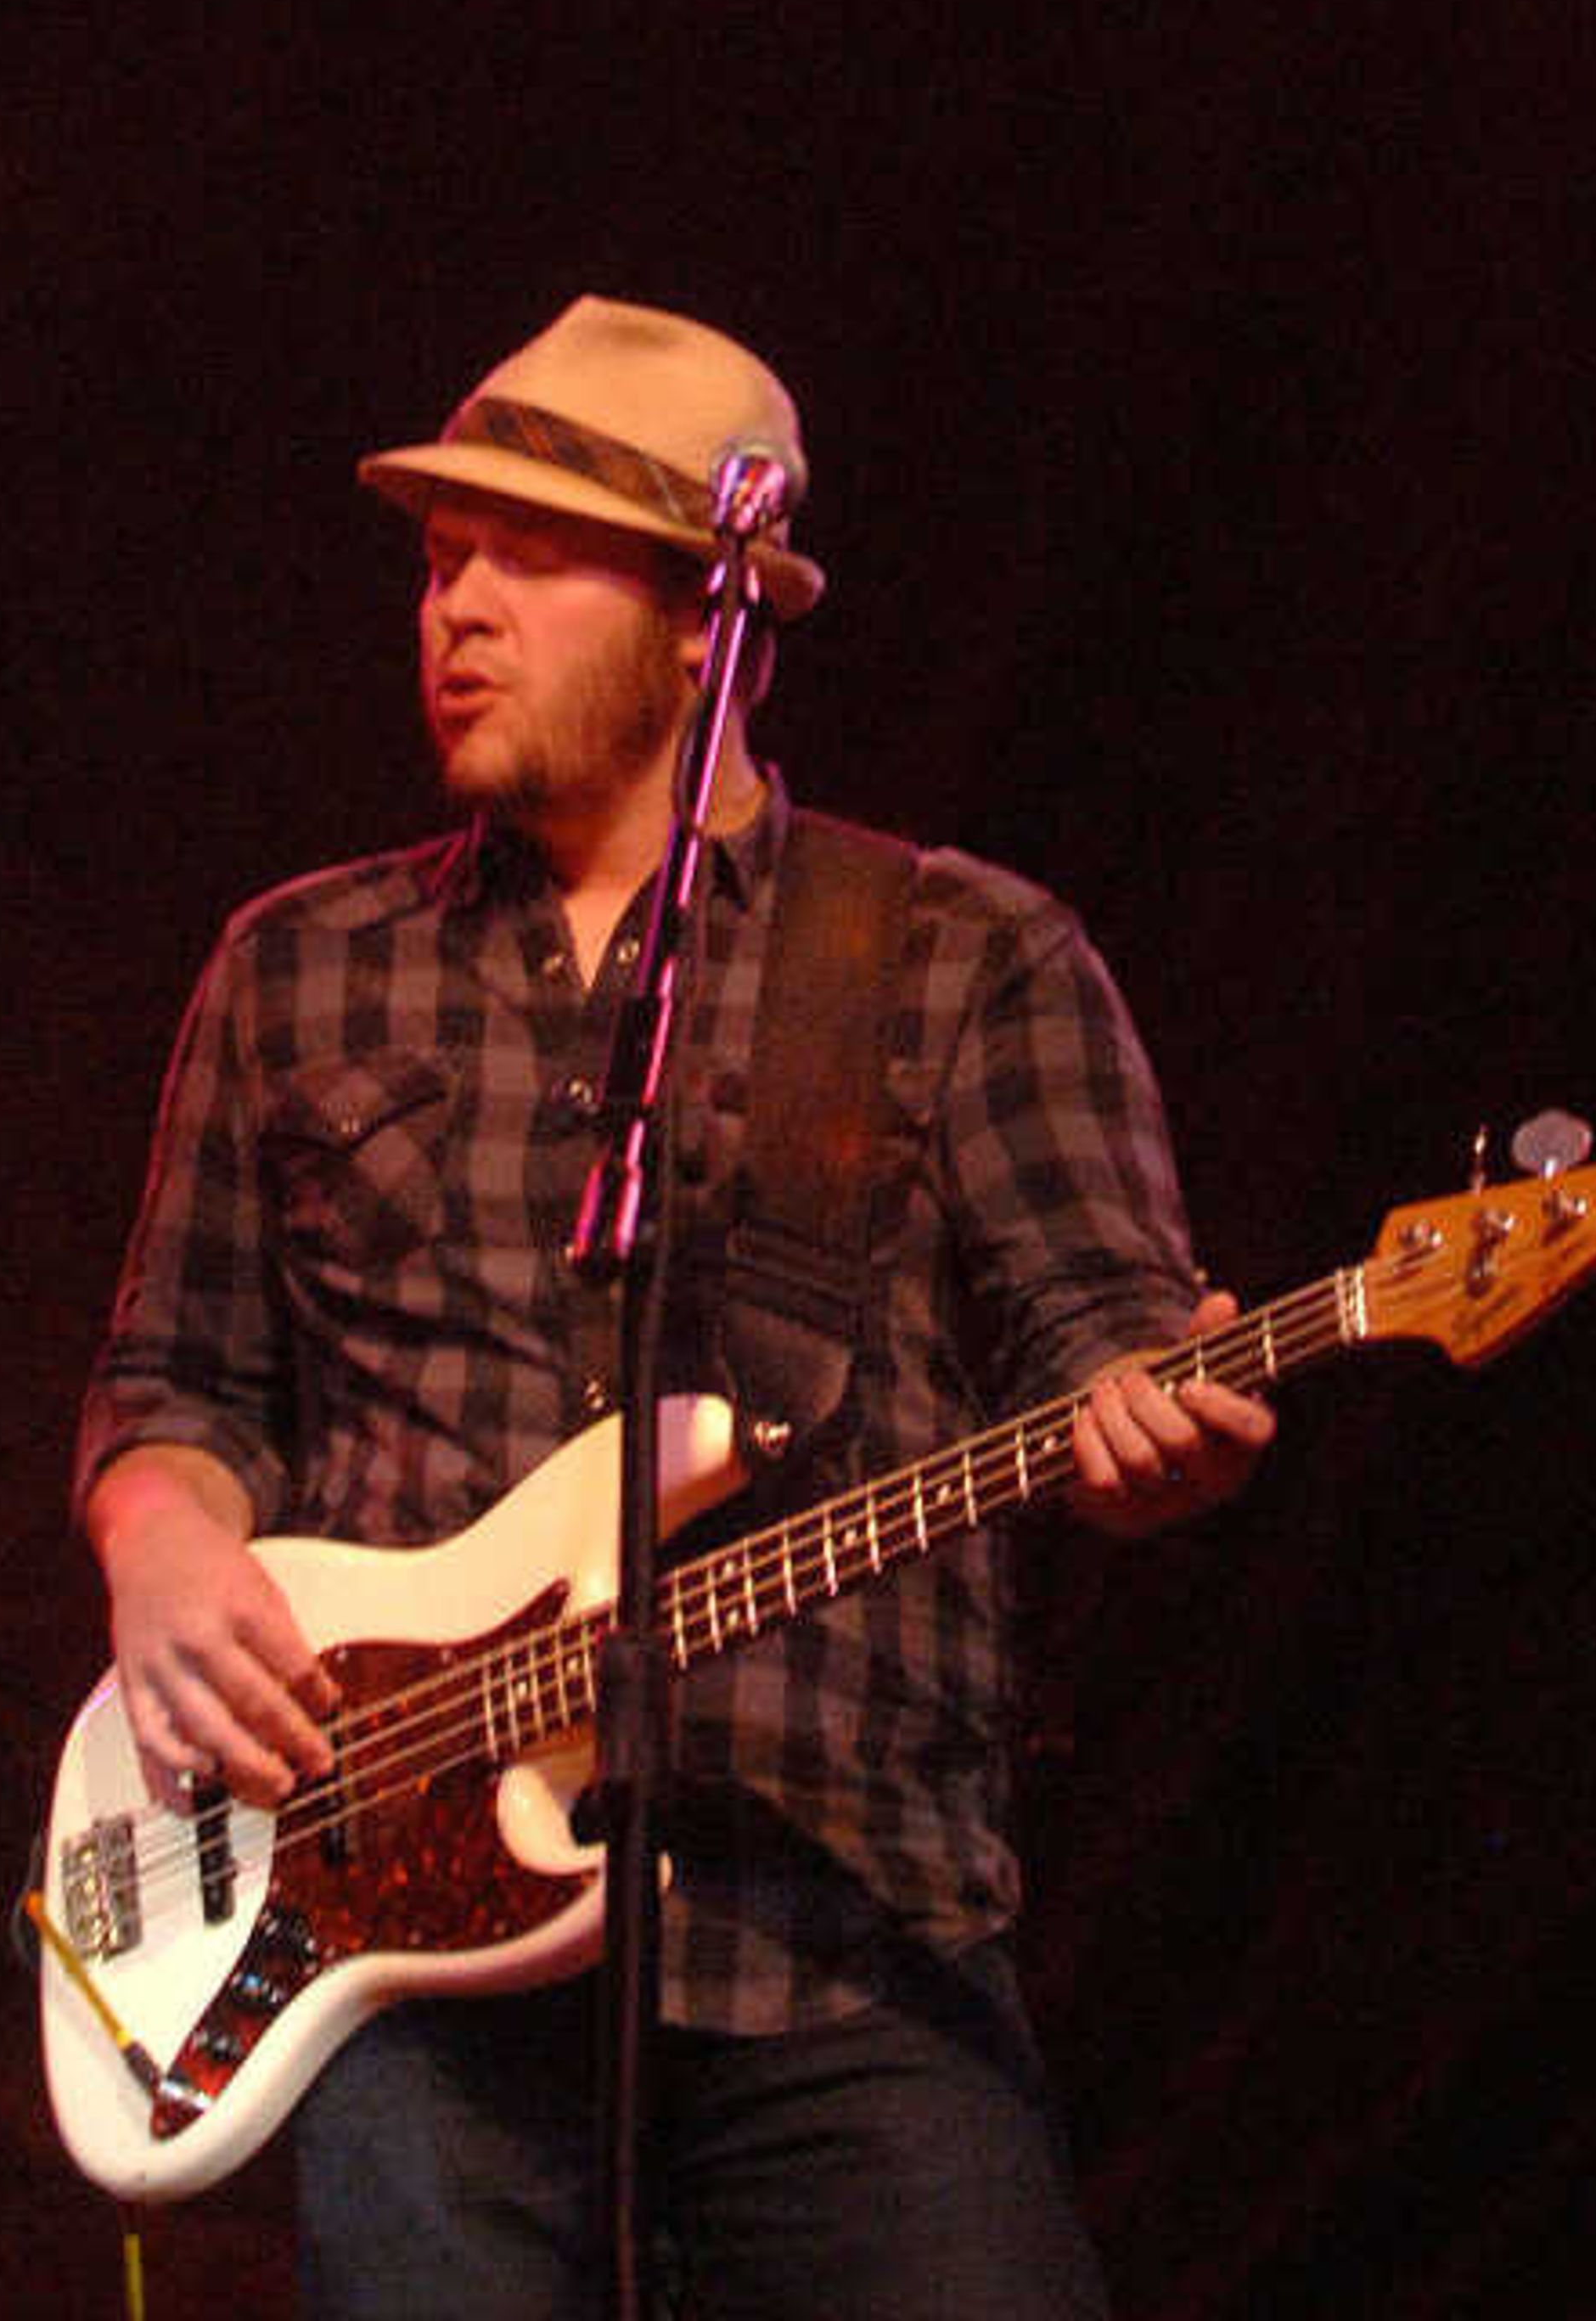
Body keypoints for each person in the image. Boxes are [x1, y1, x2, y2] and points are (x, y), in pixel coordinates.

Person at [76, 295, 1270, 2320]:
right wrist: (161, 1546)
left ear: (710, 622)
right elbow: (174, 1384)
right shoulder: (296, 970)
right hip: (405, 1957)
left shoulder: (956, 955)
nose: (454, 606)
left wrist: (1160, 1434)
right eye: (442, 558)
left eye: (526, 558)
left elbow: (1109, 1363)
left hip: (843, 1931)